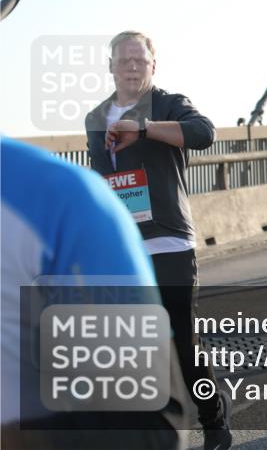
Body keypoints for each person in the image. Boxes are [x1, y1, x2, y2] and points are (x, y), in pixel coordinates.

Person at [84, 31, 231, 449]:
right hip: (124, 247)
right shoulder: (96, 119)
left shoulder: (168, 104)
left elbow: (204, 133)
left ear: (153, 65)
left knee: (183, 347)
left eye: (139, 59)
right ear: (110, 66)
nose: (132, 66)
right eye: (123, 60)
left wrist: (144, 129)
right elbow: (101, 178)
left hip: (169, 241)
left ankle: (213, 419)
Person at [1, 137, 192, 450]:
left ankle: (214, 417)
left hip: (166, 242)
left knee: (189, 342)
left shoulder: (58, 197)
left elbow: (148, 426)